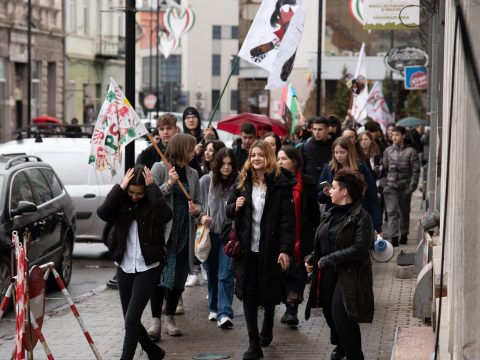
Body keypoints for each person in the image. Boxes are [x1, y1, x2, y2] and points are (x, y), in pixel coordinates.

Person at [226, 140, 295, 360]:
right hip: (246, 248)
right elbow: (228, 209)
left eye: (260, 155)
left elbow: (287, 221)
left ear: (269, 158)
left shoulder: (280, 184)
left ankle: (267, 326)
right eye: (253, 155)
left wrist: (285, 250)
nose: (256, 158)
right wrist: (235, 206)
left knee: (269, 291)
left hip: (270, 247)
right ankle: (253, 344)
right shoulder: (242, 180)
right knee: (248, 292)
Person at [97, 165, 172, 360]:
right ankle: (154, 352)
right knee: (131, 321)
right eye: (132, 192)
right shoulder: (122, 200)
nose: (135, 197)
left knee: (131, 319)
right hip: (124, 265)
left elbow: (166, 216)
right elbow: (103, 213)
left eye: (139, 193)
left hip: (148, 266)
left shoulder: (152, 200)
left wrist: (152, 188)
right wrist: (119, 188)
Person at [305, 168, 375, 360]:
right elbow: (322, 241)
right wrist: (312, 256)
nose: (330, 191)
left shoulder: (361, 217)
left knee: (342, 316)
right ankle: (342, 347)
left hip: (349, 275)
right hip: (327, 274)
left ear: (344, 192)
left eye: (333, 187)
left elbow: (360, 248)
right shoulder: (330, 213)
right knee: (330, 314)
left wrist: (329, 259)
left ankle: (354, 355)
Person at [148, 133, 201, 339]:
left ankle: (170, 318)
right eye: (191, 148)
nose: (193, 152)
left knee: (178, 278)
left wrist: (197, 210)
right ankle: (156, 321)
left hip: (184, 231)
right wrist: (169, 184)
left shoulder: (193, 173)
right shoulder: (160, 168)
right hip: (165, 232)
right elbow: (151, 197)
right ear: (181, 148)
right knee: (162, 276)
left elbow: (198, 202)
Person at [276, 146, 320, 327]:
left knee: (297, 273)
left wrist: (316, 230)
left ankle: (292, 309)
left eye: (284, 159)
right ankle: (287, 305)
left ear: (294, 161)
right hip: (280, 235)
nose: (280, 162)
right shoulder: (274, 181)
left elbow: (313, 212)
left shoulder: (308, 183)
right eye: (278, 159)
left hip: (302, 235)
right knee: (282, 273)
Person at [198, 148, 239, 329]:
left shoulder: (239, 182)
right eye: (223, 163)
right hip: (210, 234)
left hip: (229, 235)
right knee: (212, 273)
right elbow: (196, 204)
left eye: (230, 164)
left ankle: (225, 313)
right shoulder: (206, 180)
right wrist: (200, 216)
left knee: (226, 274)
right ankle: (213, 307)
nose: (227, 167)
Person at [317, 136, 382, 234]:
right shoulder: (328, 168)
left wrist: (377, 225)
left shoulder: (361, 167)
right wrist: (325, 194)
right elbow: (319, 196)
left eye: (342, 152)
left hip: (358, 213)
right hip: (336, 215)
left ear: (350, 152)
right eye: (336, 152)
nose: (338, 156)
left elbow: (372, 196)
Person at [382, 126, 420, 246]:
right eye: (393, 135)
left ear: (403, 136)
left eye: (397, 135)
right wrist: (384, 184)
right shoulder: (388, 151)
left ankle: (404, 234)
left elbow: (416, 170)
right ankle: (394, 237)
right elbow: (384, 168)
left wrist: (411, 187)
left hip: (405, 187)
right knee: (392, 212)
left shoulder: (411, 152)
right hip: (390, 186)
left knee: (404, 212)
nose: (394, 137)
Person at [299, 116, 333, 184]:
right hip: (309, 187)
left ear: (328, 130)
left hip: (329, 187)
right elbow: (300, 169)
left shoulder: (334, 146)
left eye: (320, 129)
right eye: (314, 129)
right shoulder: (305, 146)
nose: (316, 132)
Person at [182, 106, 204, 177]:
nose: (191, 120)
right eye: (188, 117)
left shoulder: (204, 136)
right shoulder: (180, 139)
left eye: (194, 117)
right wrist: (193, 153)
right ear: (184, 121)